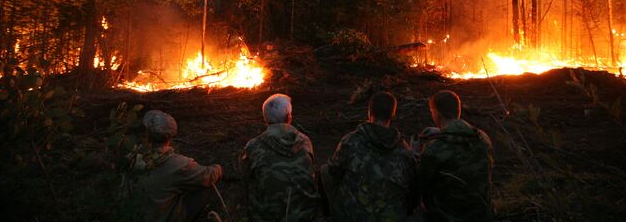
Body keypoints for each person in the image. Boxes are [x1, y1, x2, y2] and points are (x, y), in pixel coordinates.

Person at [321, 91, 417, 222]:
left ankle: (331, 214)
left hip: (353, 216)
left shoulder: (351, 140)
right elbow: (413, 188)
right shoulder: (405, 150)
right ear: (392, 115)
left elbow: (334, 172)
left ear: (369, 112)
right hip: (391, 216)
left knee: (325, 171)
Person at [414, 90, 494, 222]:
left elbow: (419, 184)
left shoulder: (434, 149)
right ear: (458, 110)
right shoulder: (483, 139)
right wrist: (441, 132)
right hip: (482, 214)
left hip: (448, 216)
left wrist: (416, 154)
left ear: (436, 113)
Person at [240, 94, 319, 222]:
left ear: (265, 118)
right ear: (289, 117)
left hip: (267, 217)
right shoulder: (305, 141)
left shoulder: (253, 147)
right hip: (305, 215)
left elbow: (246, 179)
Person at [137, 110, 223, 222]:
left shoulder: (134, 157)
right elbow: (208, 176)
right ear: (169, 136)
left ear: (147, 133)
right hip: (162, 217)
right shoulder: (178, 164)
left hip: (136, 214)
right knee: (205, 185)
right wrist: (218, 168)